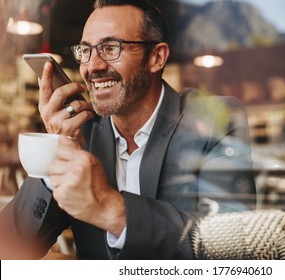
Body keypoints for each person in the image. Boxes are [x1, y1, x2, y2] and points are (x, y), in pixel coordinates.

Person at [0, 0, 256, 259]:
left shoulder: (213, 121)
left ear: (157, 57)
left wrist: (112, 209)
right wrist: (55, 150)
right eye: (85, 51)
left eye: (111, 48)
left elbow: (234, 247)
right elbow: (10, 245)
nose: (93, 66)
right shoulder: (80, 134)